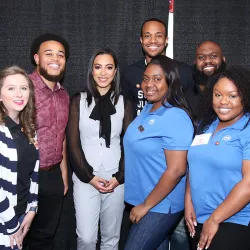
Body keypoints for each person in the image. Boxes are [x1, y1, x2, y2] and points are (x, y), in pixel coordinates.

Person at [121, 17, 194, 250]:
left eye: (157, 79)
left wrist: (145, 206)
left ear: (170, 82)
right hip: (144, 199)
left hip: (161, 205)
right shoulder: (148, 110)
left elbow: (176, 170)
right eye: (145, 79)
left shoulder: (176, 116)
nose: (149, 84)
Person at [67, 48, 133, 250]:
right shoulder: (78, 100)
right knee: (86, 238)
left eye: (108, 67)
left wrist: (119, 177)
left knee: (111, 238)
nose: (103, 73)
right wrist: (89, 176)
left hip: (116, 178)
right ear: (91, 71)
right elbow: (72, 143)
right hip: (86, 176)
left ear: (115, 72)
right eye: (98, 67)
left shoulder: (125, 102)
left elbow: (129, 143)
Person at [186, 67, 250, 250]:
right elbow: (194, 165)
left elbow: (249, 183)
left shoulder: (247, 129)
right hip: (199, 219)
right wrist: (188, 201)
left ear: (244, 97)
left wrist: (215, 219)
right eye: (218, 94)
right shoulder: (206, 125)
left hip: (234, 220)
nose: (223, 102)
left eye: (232, 96)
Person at [26, 33, 70, 249]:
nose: (55, 58)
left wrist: (63, 173)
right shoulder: (23, 89)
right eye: (49, 53)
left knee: (45, 238)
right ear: (36, 58)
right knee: (16, 235)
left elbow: (60, 135)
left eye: (60, 55)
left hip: (52, 176)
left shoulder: (64, 95)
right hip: (24, 176)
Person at [122, 17, 194, 117]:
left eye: (158, 36)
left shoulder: (184, 72)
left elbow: (192, 110)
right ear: (141, 40)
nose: (153, 40)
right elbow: (127, 110)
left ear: (166, 40)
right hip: (140, 130)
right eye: (147, 36)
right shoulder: (130, 72)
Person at [0, 66, 39, 250]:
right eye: (10, 88)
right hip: (5, 222)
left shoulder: (29, 129)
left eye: (24, 88)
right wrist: (11, 225)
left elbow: (34, 174)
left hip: (21, 216)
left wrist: (32, 209)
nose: (19, 93)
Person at [185, 40, 226, 117]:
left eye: (214, 56)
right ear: (195, 62)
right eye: (201, 57)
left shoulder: (234, 87)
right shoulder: (185, 91)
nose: (207, 61)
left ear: (223, 59)